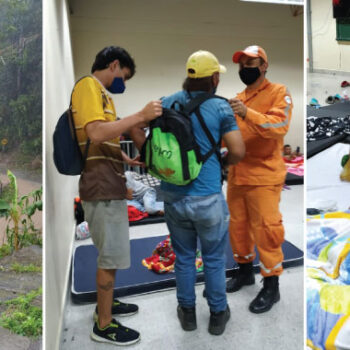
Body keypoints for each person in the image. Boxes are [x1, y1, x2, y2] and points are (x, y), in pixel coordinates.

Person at [131, 50, 245, 335]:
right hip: (208, 198)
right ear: (215, 78)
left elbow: (134, 125)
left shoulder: (165, 102)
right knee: (214, 259)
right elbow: (239, 151)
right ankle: (218, 315)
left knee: (183, 258)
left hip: (173, 197)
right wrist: (222, 163)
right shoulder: (221, 107)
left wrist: (147, 154)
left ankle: (188, 313)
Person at [72, 46, 162, 346]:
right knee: (109, 257)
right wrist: (138, 116)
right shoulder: (88, 87)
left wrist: (128, 162)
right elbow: (96, 133)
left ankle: (105, 306)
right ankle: (104, 325)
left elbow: (102, 144)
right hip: (99, 187)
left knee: (112, 254)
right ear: (113, 65)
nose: (123, 82)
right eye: (124, 76)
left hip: (111, 182)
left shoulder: (104, 97)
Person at [226, 45, 293, 314]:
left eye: (250, 63)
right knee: (238, 228)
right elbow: (227, 136)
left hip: (264, 177)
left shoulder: (279, 92)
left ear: (264, 65)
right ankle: (244, 272)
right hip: (237, 176)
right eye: (241, 64)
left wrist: (246, 113)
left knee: (267, 230)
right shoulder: (237, 98)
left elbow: (279, 127)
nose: (245, 68)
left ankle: (271, 285)